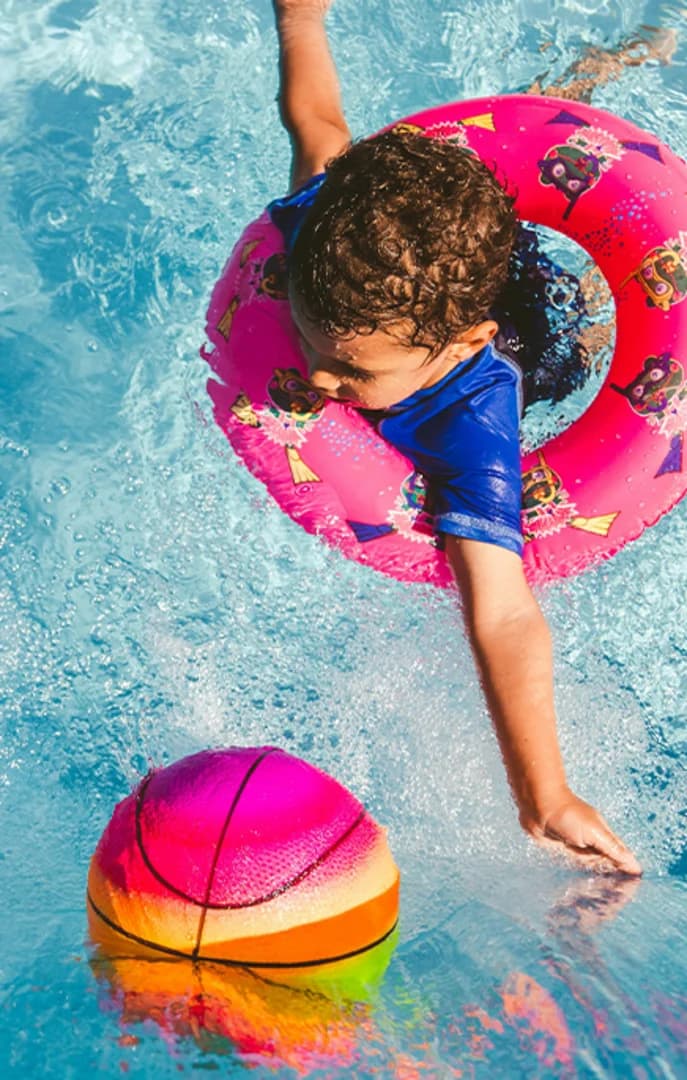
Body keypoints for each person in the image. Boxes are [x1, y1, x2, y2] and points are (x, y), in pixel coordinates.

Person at [270, 0, 648, 875]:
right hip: (438, 288)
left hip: (531, 332)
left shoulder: (474, 417)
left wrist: (542, 794)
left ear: (453, 348)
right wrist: (300, 22)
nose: (322, 385)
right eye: (310, 347)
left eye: (351, 375)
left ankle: (596, 73)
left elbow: (505, 609)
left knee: (581, 330)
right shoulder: (321, 240)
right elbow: (318, 121)